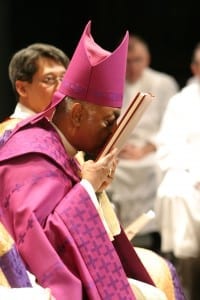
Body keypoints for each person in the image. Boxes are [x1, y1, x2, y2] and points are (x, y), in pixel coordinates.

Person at [0, 21, 185, 300]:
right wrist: (87, 187)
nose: (113, 132)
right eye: (109, 121)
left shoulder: (61, 147)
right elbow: (40, 245)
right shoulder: (30, 155)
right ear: (76, 115)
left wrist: (94, 189)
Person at [107, 34, 179, 249]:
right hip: (119, 150)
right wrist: (117, 145)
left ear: (147, 59)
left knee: (156, 170)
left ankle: (156, 236)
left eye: (137, 60)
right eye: (127, 61)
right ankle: (118, 236)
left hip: (152, 150)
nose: (132, 66)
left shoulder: (163, 83)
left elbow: (171, 125)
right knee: (111, 170)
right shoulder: (112, 82)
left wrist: (145, 149)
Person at [154, 44, 200, 299]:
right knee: (173, 189)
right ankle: (187, 274)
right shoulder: (181, 102)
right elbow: (170, 145)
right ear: (195, 68)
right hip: (191, 175)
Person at [0, 42, 70, 135]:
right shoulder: (10, 133)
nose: (60, 87)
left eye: (63, 78)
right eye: (49, 79)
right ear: (22, 89)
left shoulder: (59, 128)